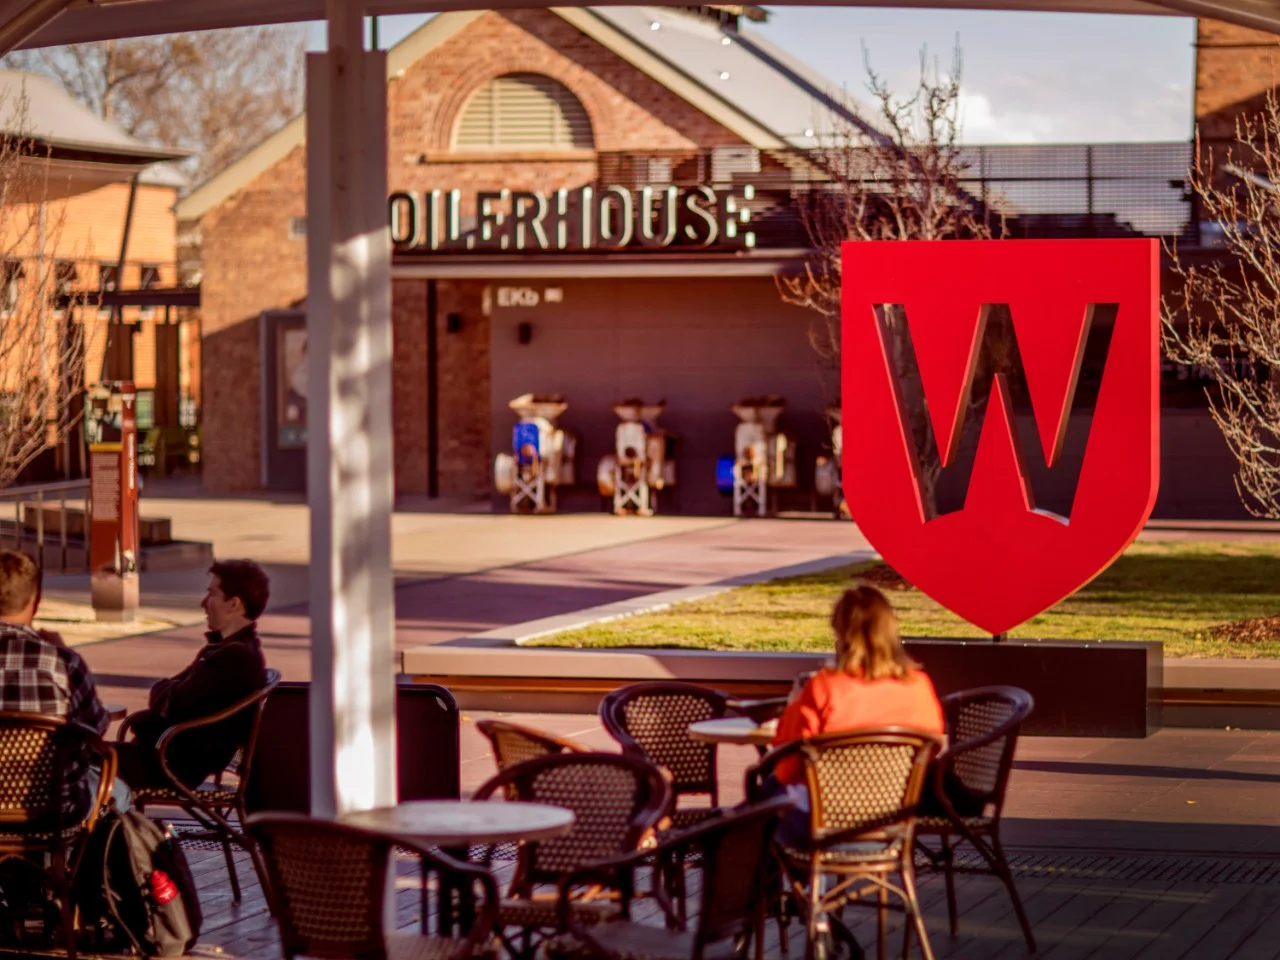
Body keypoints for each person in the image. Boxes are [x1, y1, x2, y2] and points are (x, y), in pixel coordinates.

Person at [770, 582, 944, 795]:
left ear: (840, 634)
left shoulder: (824, 688)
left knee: (766, 793)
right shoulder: (918, 686)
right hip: (895, 808)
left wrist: (793, 707)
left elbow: (787, 770)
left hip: (824, 811)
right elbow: (931, 749)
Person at [115, 560, 269, 792]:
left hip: (171, 767)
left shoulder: (233, 659)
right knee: (86, 755)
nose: (203, 604)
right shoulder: (229, 650)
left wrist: (163, 695)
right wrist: (165, 695)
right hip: (170, 757)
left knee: (80, 757)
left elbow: (172, 703)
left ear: (234, 604)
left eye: (212, 594)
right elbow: (169, 696)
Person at [0, 550, 118, 819]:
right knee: (118, 794)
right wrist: (65, 652)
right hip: (52, 810)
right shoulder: (61, 661)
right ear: (36, 601)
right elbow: (96, 727)